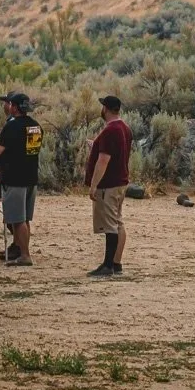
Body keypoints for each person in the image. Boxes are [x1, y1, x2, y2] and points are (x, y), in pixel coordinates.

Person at [0, 92, 41, 266]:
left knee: (17, 219)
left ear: (14, 107)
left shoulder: (12, 126)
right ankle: (21, 251)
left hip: (15, 177)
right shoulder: (36, 126)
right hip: (31, 176)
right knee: (25, 219)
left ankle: (25, 255)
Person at [84, 94, 132, 277]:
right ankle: (116, 263)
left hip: (109, 184)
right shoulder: (125, 128)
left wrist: (94, 185)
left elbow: (103, 160)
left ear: (106, 109)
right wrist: (95, 146)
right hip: (121, 182)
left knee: (110, 225)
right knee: (118, 222)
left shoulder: (110, 131)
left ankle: (107, 266)